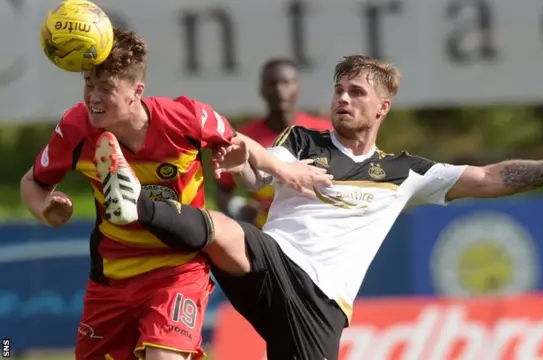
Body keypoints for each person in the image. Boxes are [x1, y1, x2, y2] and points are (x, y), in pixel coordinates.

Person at [96, 55, 543, 360]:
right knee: (224, 230)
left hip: (323, 307)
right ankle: (134, 204)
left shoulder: (407, 172)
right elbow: (260, 168)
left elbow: (497, 176)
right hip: (274, 266)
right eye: (338, 90)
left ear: (383, 106)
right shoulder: (303, 142)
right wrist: (243, 164)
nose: (343, 99)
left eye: (356, 91)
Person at [19, 28, 329, 360]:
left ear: (137, 91)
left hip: (179, 269)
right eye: (89, 85)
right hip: (112, 279)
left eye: (107, 88)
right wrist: (46, 211)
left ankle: (138, 206)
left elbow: (239, 141)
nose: (93, 97)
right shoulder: (77, 127)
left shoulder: (184, 119)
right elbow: (33, 183)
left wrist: (284, 170)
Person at [215, 58, 332, 228]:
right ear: (261, 90)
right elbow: (223, 190)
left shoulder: (324, 132)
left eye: (286, 83)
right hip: (266, 231)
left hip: (318, 226)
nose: (279, 90)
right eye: (272, 84)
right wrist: (239, 207)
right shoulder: (245, 139)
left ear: (298, 86)